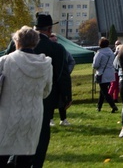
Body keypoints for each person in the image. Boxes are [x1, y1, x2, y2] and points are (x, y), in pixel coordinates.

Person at [4, 13, 71, 167]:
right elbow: (61, 74)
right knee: (40, 134)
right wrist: (66, 96)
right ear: (49, 29)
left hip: (15, 95)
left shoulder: (16, 44)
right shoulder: (56, 49)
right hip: (42, 98)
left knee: (14, 130)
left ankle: (12, 159)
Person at [0, 26, 53, 168]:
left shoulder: (5, 61)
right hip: (33, 115)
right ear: (36, 42)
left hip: (7, 114)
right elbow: (46, 92)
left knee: (2, 156)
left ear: (17, 41)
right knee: (25, 159)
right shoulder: (46, 64)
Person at [48, 32, 75, 127]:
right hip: (50, 78)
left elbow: (71, 61)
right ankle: (50, 119)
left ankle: (63, 119)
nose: (54, 40)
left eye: (55, 39)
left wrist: (66, 72)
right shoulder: (47, 49)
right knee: (50, 99)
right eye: (52, 38)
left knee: (62, 99)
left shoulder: (62, 50)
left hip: (60, 78)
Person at [92, 37, 118, 113]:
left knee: (104, 91)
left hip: (102, 73)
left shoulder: (99, 53)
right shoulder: (111, 53)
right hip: (110, 73)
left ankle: (113, 105)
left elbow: (95, 65)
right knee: (102, 91)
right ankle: (99, 106)